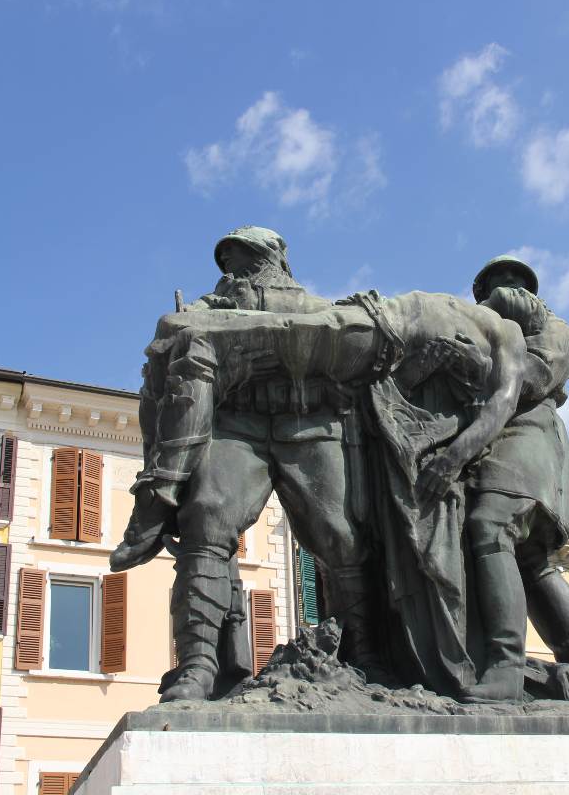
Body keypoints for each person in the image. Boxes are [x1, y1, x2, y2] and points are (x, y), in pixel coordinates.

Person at [112, 227, 379, 701]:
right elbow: (173, 332)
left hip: (312, 423)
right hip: (234, 422)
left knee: (342, 537)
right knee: (205, 521)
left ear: (272, 258)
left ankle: (367, 655)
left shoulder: (320, 306)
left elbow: (357, 337)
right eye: (228, 260)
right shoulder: (208, 308)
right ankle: (197, 665)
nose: (231, 267)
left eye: (242, 256)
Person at [461, 255, 569, 701]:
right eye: (500, 281)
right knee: (532, 563)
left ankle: (505, 666)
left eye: (520, 282)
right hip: (489, 441)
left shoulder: (552, 328)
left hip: (528, 434)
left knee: (490, 526)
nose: (512, 287)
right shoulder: (478, 333)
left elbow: (531, 378)